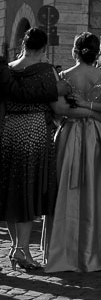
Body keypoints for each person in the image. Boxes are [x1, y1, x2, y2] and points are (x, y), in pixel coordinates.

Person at [45, 33, 101, 273]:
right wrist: (93, 114)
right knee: (97, 189)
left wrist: (79, 110)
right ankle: (97, 250)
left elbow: (59, 110)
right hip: (98, 136)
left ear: (75, 51)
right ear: (96, 52)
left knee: (65, 190)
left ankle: (64, 250)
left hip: (69, 135)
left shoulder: (65, 77)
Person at [0, 29, 70, 271]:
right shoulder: (46, 70)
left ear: (23, 44)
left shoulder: (8, 68)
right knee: (28, 189)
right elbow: (58, 108)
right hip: (35, 130)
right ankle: (23, 250)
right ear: (44, 48)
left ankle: (14, 247)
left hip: (9, 130)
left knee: (11, 190)